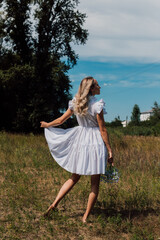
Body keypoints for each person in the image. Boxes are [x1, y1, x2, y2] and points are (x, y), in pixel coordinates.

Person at [40, 76, 113, 223]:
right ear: (91, 89)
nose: (100, 87)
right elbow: (102, 129)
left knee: (74, 177)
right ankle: (85, 217)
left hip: (80, 140)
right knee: (94, 182)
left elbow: (61, 120)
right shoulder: (97, 104)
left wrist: (48, 125)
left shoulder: (76, 103)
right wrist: (110, 150)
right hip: (95, 142)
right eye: (97, 85)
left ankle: (54, 204)